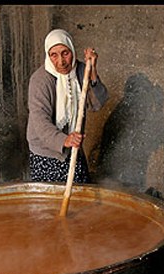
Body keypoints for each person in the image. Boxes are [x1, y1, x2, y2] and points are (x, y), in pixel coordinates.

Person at [26, 29, 108, 183]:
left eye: (65, 53)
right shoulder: (40, 80)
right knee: (50, 202)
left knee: (79, 198)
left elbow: (98, 103)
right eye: (54, 55)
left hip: (74, 149)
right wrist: (65, 140)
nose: (61, 61)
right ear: (48, 55)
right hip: (46, 153)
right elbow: (40, 122)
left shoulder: (82, 70)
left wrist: (93, 72)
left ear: (72, 50)